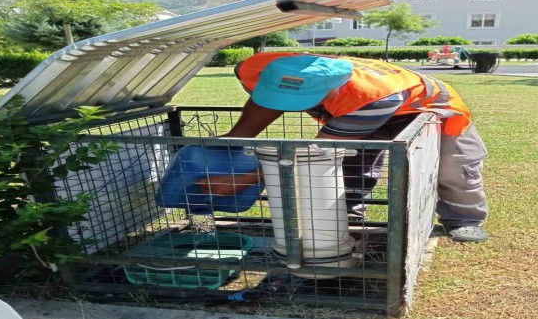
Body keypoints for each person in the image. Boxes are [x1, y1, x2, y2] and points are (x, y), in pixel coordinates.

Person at [197, 52, 489, 242]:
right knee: (352, 163)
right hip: (356, 107)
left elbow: (316, 152)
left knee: (455, 169)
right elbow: (265, 100)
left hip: (427, 109)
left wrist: (242, 180)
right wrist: (235, 138)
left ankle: (463, 219)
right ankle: (350, 213)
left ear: (331, 89)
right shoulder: (257, 68)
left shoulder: (369, 99)